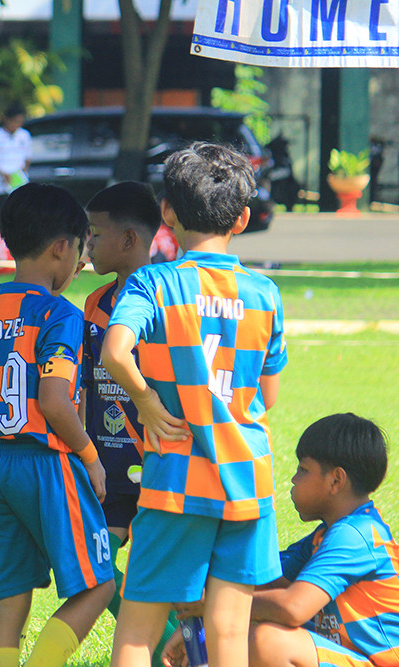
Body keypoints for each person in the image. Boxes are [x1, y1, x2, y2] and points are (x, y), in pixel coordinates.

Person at [101, 142, 288, 667]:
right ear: (243, 218)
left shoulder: (153, 282)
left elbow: (115, 351)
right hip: (248, 480)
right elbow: (268, 396)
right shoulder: (265, 293)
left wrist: (145, 400)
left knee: (137, 632)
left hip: (175, 483)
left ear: (167, 213)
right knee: (228, 633)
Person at [0, 182, 115, 667]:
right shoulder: (59, 313)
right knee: (99, 586)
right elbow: (55, 401)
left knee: (10, 597)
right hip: (45, 463)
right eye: (80, 249)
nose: (81, 261)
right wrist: (91, 456)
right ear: (62, 247)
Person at [162, 413, 399, 667]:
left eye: (303, 470)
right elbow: (263, 582)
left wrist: (215, 606)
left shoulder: (355, 535)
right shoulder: (324, 537)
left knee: (268, 640)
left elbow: (292, 607)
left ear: (336, 480)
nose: (294, 479)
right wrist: (207, 621)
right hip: (351, 657)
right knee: (252, 615)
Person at [81, 181, 179, 667]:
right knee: (94, 564)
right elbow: (87, 383)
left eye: (95, 234)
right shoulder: (95, 302)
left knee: (166, 576)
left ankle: (177, 648)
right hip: (107, 464)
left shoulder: (169, 297)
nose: (88, 244)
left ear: (128, 239)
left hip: (162, 461)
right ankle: (169, 647)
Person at [0, 102, 32, 233]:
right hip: (0, 184)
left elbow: (27, 157)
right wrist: (3, 174)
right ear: (7, 119)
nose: (17, 125)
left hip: (18, 183)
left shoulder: (24, 135)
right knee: (1, 217)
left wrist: (21, 173)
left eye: (20, 122)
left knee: (20, 216)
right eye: (15, 121)